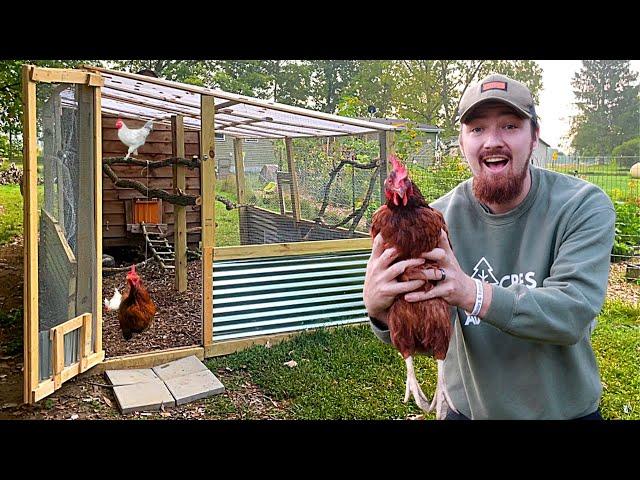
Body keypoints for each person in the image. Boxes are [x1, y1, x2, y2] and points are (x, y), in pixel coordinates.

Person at [363, 73, 615, 420]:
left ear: (534, 136)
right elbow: (428, 324)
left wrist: (472, 293)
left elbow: (571, 313)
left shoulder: (582, 206)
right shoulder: (435, 221)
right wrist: (379, 309)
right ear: (462, 141)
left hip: (563, 412)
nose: (492, 141)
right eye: (477, 128)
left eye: (510, 126)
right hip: (468, 412)